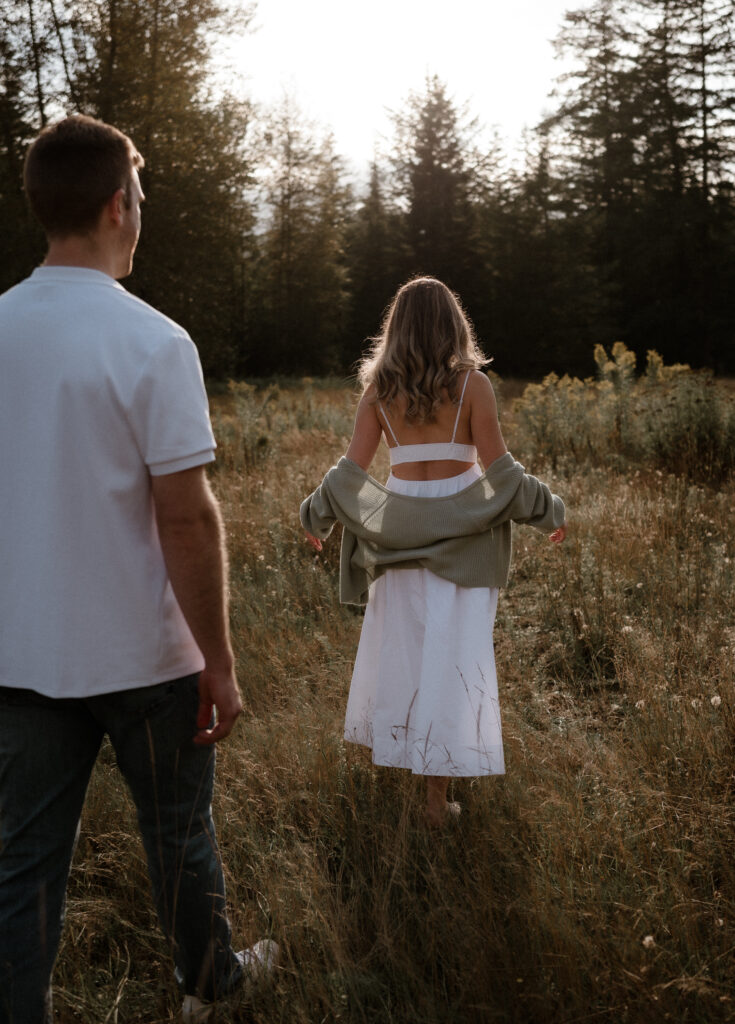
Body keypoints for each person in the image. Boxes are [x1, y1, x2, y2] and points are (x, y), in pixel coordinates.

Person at [0, 115, 275, 1024]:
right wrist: (220, 664)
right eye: (142, 200)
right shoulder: (155, 341)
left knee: (23, 863)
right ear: (118, 206)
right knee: (177, 834)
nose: (142, 215)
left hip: (21, 658)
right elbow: (187, 518)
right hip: (148, 663)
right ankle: (207, 984)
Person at [300, 277, 566, 827]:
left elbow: (351, 470)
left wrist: (317, 516)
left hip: (398, 539)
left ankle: (416, 778)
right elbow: (501, 473)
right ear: (454, 323)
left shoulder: (379, 391)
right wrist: (548, 512)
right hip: (463, 546)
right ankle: (433, 803)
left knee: (407, 659)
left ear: (395, 328)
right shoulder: (475, 388)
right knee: (452, 663)